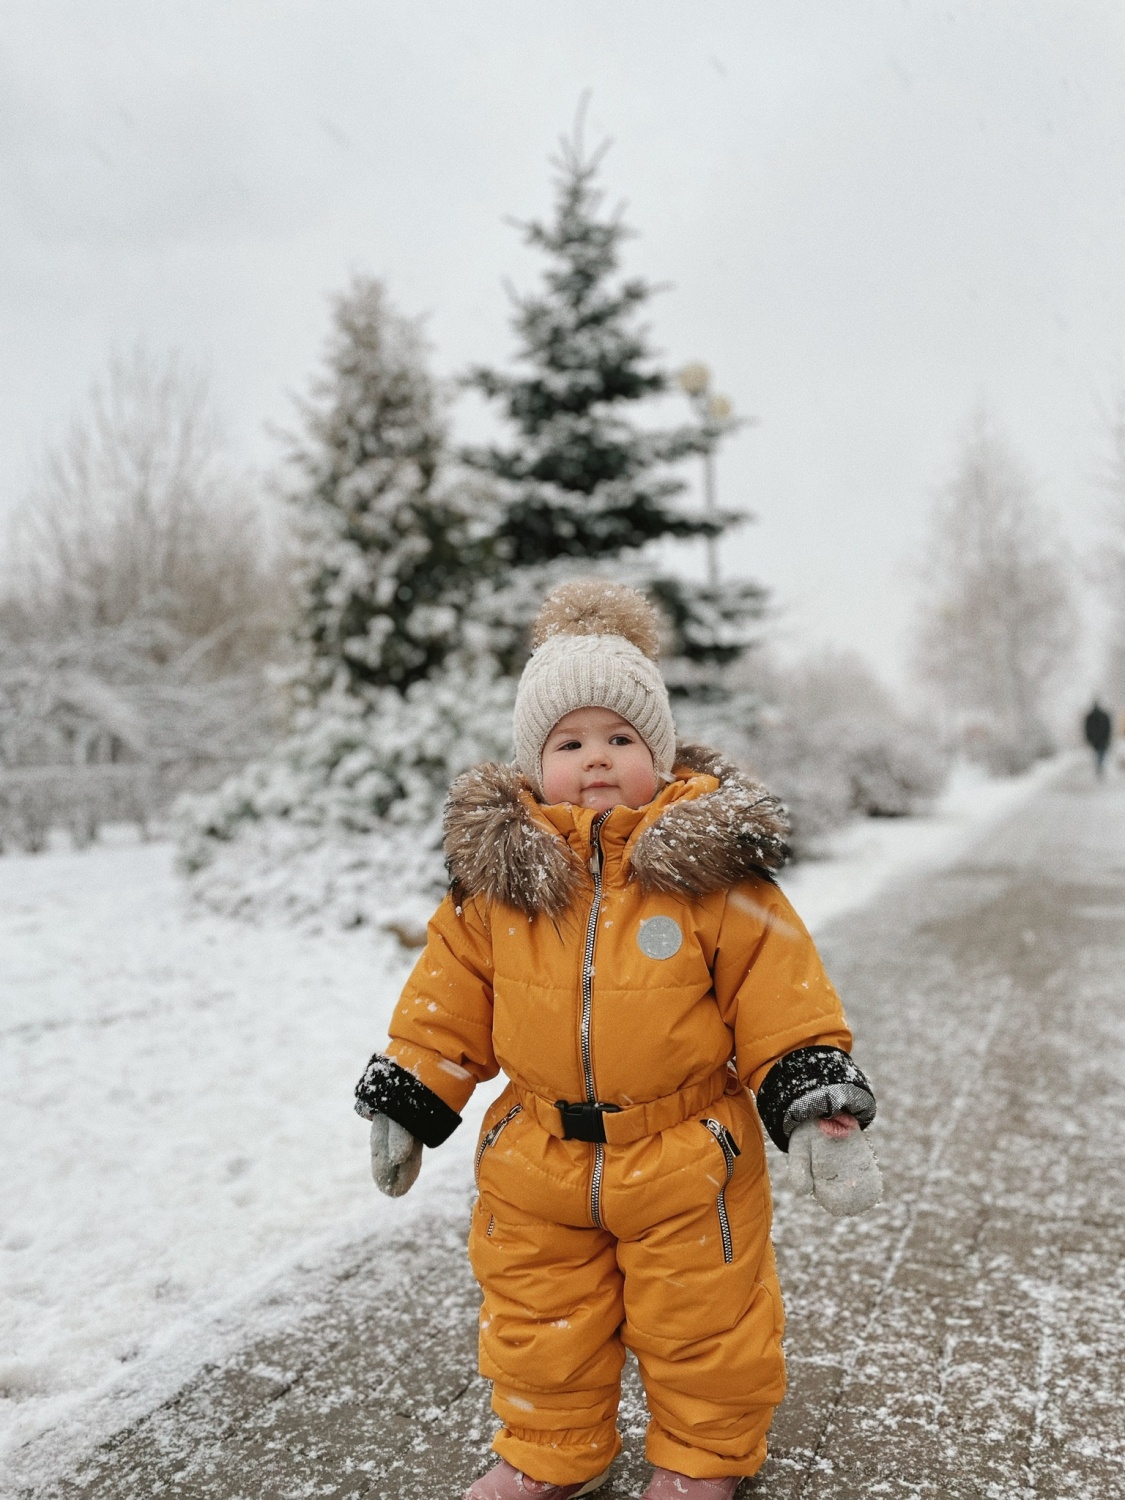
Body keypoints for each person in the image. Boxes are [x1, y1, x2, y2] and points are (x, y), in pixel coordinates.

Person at [354, 581, 883, 1500]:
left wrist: (814, 1103)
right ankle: (549, 1456)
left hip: (687, 1157)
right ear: (533, 764)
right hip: (536, 1160)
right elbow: (445, 1002)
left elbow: (781, 994)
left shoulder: (712, 879)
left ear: (659, 753)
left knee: (707, 1326)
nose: (595, 759)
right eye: (569, 742)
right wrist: (410, 1097)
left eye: (619, 738)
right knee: (537, 1321)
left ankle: (699, 1465)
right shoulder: (498, 889)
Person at [1083, 700, 1112, 776]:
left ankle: (1099, 767)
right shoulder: (1104, 715)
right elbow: (1108, 727)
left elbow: (1087, 729)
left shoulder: (1090, 717)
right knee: (1101, 754)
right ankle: (1100, 766)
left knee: (1098, 754)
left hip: (1096, 740)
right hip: (1102, 739)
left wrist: (1089, 738)